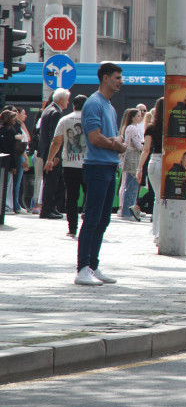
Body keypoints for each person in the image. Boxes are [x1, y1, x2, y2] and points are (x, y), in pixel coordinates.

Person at [74, 62, 126, 287]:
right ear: (105, 78)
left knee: (103, 219)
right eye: (116, 77)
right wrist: (116, 145)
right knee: (92, 218)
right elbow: (94, 137)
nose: (120, 81)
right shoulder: (94, 104)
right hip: (97, 167)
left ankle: (92, 266)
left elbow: (109, 137)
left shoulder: (109, 106)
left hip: (109, 167)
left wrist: (117, 143)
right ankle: (82, 268)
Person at [46, 95, 88, 238]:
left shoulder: (65, 119)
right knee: (89, 193)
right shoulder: (91, 120)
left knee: (71, 197)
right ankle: (86, 217)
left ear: (73, 105)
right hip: (88, 164)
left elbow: (56, 141)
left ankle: (72, 229)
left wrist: (50, 159)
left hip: (69, 165)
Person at [36, 89, 70, 219]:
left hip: (45, 151)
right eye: (67, 99)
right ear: (61, 100)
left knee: (53, 181)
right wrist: (54, 156)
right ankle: (47, 209)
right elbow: (54, 137)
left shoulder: (48, 109)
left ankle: (51, 207)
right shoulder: (56, 113)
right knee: (51, 181)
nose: (68, 102)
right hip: (51, 153)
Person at [136, 97, 165, 229]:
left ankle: (155, 230)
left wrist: (140, 168)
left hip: (154, 162)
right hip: (166, 162)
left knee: (157, 198)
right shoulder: (171, 127)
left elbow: (146, 150)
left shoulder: (151, 128)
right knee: (165, 198)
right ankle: (161, 230)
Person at [117, 108, 145, 220]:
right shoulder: (133, 128)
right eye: (138, 116)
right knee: (132, 186)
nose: (140, 117)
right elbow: (137, 144)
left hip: (128, 157)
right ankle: (128, 212)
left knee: (128, 185)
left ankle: (125, 210)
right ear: (132, 117)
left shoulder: (128, 127)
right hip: (133, 158)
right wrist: (146, 148)